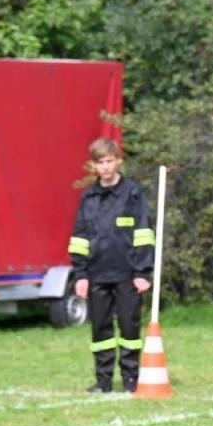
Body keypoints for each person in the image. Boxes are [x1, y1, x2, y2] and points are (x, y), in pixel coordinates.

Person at [67, 138, 154, 394]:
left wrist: (142, 272)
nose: (105, 167)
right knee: (100, 328)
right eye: (100, 163)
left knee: (129, 327)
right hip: (97, 274)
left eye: (109, 161)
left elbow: (144, 233)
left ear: (117, 161)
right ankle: (103, 381)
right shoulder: (88, 197)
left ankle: (130, 379)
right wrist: (81, 274)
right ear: (93, 166)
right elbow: (80, 236)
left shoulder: (133, 193)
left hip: (128, 274)